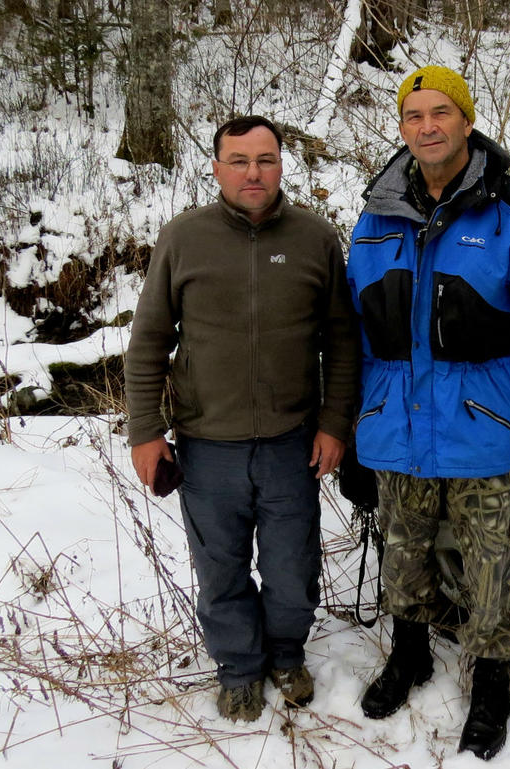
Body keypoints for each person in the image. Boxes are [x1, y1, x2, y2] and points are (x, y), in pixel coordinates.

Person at [346, 66, 510, 760]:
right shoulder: (375, 213)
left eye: (440, 112)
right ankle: (409, 652)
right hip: (396, 421)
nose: (426, 126)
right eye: (413, 115)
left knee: (490, 563)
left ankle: (493, 681)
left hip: (482, 422)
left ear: (465, 122)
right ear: (402, 126)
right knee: (403, 549)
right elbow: (356, 328)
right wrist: (357, 422)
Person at [124, 115, 358, 723]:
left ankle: (285, 655)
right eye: (239, 160)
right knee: (220, 568)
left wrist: (335, 423)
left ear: (282, 165)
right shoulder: (183, 238)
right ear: (216, 167)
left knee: (292, 567)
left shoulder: (315, 238)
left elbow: (341, 339)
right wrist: (146, 432)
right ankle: (238, 670)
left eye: (265, 160)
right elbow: (148, 340)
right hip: (207, 446)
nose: (253, 172)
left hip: (291, 443)